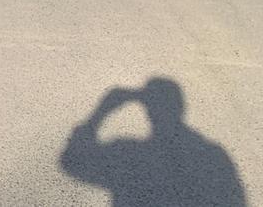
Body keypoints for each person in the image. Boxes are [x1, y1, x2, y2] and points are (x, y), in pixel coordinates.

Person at [60, 78, 244, 206]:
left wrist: (100, 113)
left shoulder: (129, 152)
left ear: (148, 110)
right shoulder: (214, 154)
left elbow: (71, 163)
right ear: (180, 106)